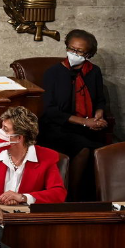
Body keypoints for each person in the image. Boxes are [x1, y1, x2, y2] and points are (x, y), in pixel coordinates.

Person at [39, 29, 108, 197]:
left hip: (85, 127)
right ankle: (72, 196)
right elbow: (49, 110)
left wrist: (99, 115)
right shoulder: (52, 73)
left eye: (79, 51)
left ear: (89, 54)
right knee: (82, 148)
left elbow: (100, 100)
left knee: (105, 149)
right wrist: (84, 122)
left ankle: (96, 197)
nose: (73, 53)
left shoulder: (94, 72)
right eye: (71, 49)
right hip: (56, 127)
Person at [0, 107, 66, 205]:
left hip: (29, 218)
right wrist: (1, 199)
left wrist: (22, 197)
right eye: (2, 127)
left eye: (5, 129)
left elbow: (58, 194)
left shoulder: (47, 157)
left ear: (19, 138)